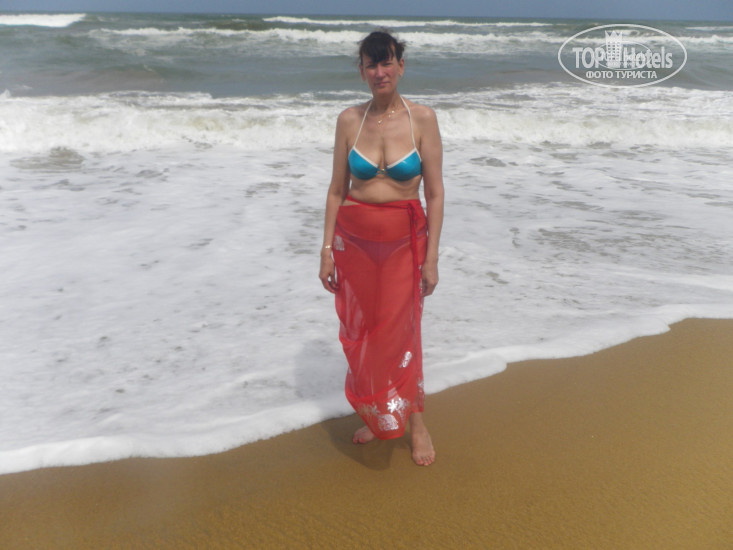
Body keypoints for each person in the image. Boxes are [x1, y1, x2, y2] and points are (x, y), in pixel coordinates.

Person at [319, 30, 444, 466]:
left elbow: (435, 194)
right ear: (362, 72)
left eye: (387, 62)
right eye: (371, 64)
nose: (380, 72)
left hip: (404, 243)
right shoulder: (349, 121)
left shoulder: (422, 119)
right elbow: (336, 190)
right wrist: (326, 250)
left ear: (401, 66)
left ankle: (417, 424)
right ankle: (377, 414)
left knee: (403, 332)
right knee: (367, 332)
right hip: (354, 243)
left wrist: (431, 257)